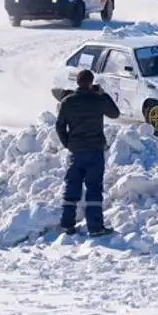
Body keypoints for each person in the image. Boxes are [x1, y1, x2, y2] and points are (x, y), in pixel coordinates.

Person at [55, 69, 120, 236]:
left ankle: (67, 224)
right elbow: (115, 113)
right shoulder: (98, 100)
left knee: (72, 187)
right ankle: (95, 227)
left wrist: (68, 143)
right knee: (93, 188)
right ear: (91, 82)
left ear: (77, 82)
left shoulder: (67, 102)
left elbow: (60, 126)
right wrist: (103, 94)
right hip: (95, 150)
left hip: (76, 151)